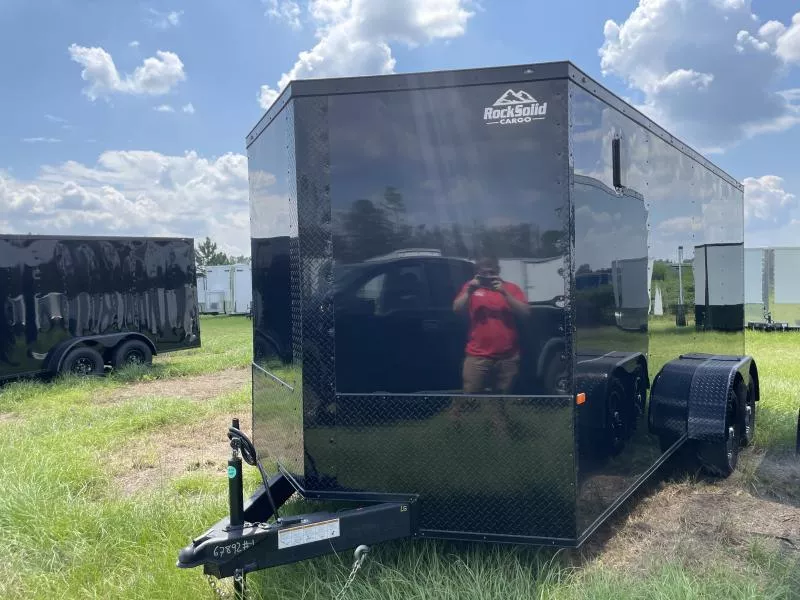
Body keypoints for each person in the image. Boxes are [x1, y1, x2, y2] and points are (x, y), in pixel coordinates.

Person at [452, 257, 529, 394]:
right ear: (477, 273)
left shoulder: (511, 288)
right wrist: (469, 291)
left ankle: (499, 416)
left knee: (503, 396)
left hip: (508, 355)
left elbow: (525, 313)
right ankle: (460, 412)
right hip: (477, 354)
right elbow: (457, 309)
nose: (488, 276)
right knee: (470, 392)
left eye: (491, 272)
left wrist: (504, 293)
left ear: (498, 271)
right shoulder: (470, 288)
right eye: (484, 273)